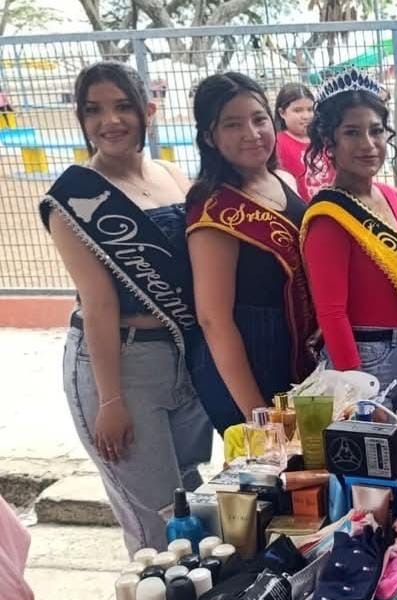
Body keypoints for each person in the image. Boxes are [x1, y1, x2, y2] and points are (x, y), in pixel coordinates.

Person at [41, 61, 212, 554]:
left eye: (122, 107)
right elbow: (98, 305)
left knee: (191, 501)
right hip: (122, 362)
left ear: (148, 111)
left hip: (182, 356)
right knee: (157, 524)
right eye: (93, 110)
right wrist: (110, 399)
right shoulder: (74, 199)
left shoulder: (171, 174)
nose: (109, 121)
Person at [187, 72, 317, 434]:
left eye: (259, 119)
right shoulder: (213, 207)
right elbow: (213, 319)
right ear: (209, 137)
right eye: (232, 124)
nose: (252, 133)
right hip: (249, 361)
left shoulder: (282, 180)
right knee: (268, 461)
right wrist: (257, 414)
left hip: (295, 349)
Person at [300, 70, 397, 412]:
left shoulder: (388, 196)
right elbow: (332, 313)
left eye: (376, 130)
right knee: (373, 444)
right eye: (352, 133)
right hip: (365, 358)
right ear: (329, 143)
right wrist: (356, 392)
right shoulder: (329, 218)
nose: (368, 144)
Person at [275, 82, 333, 201]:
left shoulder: (324, 138)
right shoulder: (277, 143)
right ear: (282, 113)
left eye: (310, 109)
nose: (306, 116)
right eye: (298, 110)